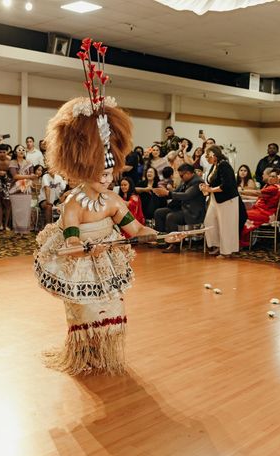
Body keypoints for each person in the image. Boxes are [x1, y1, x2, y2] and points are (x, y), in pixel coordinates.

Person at [34, 41, 185, 375]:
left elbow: (136, 230)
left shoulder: (114, 201)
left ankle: (103, 355)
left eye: (110, 171)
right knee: (85, 314)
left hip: (108, 268)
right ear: (82, 167)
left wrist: (162, 238)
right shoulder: (74, 204)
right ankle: (84, 356)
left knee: (111, 310)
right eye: (99, 171)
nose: (106, 176)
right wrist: (86, 247)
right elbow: (71, 246)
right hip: (83, 268)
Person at [199, 145, 242, 257]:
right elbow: (214, 182)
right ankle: (218, 245)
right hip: (215, 198)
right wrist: (206, 186)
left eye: (208, 156)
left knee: (226, 225)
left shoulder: (224, 165)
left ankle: (226, 251)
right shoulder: (215, 165)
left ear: (214, 154)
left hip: (227, 199)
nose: (207, 158)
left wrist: (210, 189)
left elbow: (227, 185)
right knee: (209, 222)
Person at [153, 163, 206, 253]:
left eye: (182, 175)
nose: (181, 177)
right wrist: (164, 192)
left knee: (171, 217)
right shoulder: (185, 181)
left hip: (192, 213)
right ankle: (162, 241)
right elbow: (176, 193)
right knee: (159, 212)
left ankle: (175, 245)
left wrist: (167, 193)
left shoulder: (198, 182)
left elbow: (186, 195)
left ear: (189, 173)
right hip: (183, 209)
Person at [239, 168, 280, 247]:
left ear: (278, 178)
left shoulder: (274, 188)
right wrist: (242, 194)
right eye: (270, 176)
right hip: (262, 211)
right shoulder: (272, 186)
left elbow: (257, 193)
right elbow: (260, 197)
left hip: (265, 213)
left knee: (242, 215)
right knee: (242, 213)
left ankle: (244, 241)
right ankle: (245, 240)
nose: (270, 178)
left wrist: (240, 191)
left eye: (273, 176)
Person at [9, 144, 36, 235]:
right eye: (19, 149)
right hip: (15, 189)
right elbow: (15, 176)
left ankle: (24, 231)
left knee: (25, 210)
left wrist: (30, 177)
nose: (21, 151)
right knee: (17, 211)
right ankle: (17, 230)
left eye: (23, 150)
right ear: (15, 152)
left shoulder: (29, 162)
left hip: (26, 188)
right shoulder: (13, 162)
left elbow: (33, 175)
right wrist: (28, 176)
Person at [0, 143, 12, 231]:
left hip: (8, 181)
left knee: (8, 204)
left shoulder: (11, 160)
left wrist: (4, 174)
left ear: (7, 152)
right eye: (0, 152)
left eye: (4, 152)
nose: (2, 154)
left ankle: (6, 224)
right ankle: (0, 224)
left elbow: (13, 173)